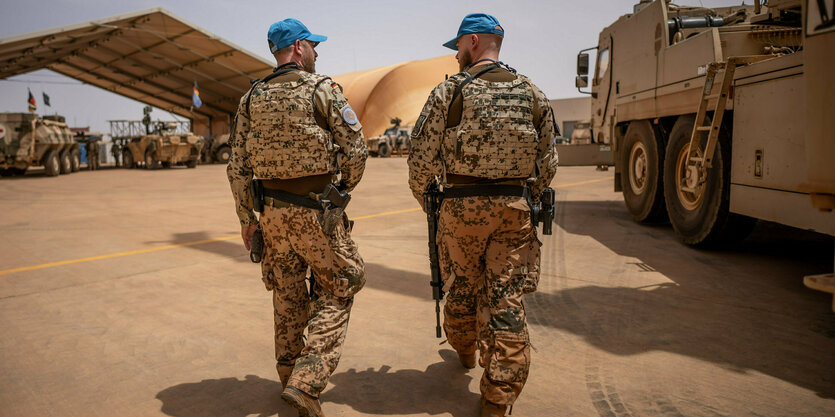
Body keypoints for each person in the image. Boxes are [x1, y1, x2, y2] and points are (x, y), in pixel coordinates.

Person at [407, 13, 559, 417]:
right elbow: (548, 160)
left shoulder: (449, 91)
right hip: (515, 210)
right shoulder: (532, 92)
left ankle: (465, 345)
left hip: (460, 211)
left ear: (473, 42)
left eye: (457, 45)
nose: (456, 54)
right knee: (505, 298)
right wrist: (530, 195)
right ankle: (498, 398)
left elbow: (420, 157)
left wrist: (425, 198)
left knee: (461, 286)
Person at [226, 18, 367, 417]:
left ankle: (289, 376)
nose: (317, 53)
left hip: (271, 214)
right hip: (317, 212)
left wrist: (246, 218)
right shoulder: (323, 89)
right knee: (343, 285)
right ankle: (307, 381)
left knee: (287, 294)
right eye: (314, 46)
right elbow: (356, 150)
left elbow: (236, 167)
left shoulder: (251, 98)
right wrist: (343, 191)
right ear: (299, 47)